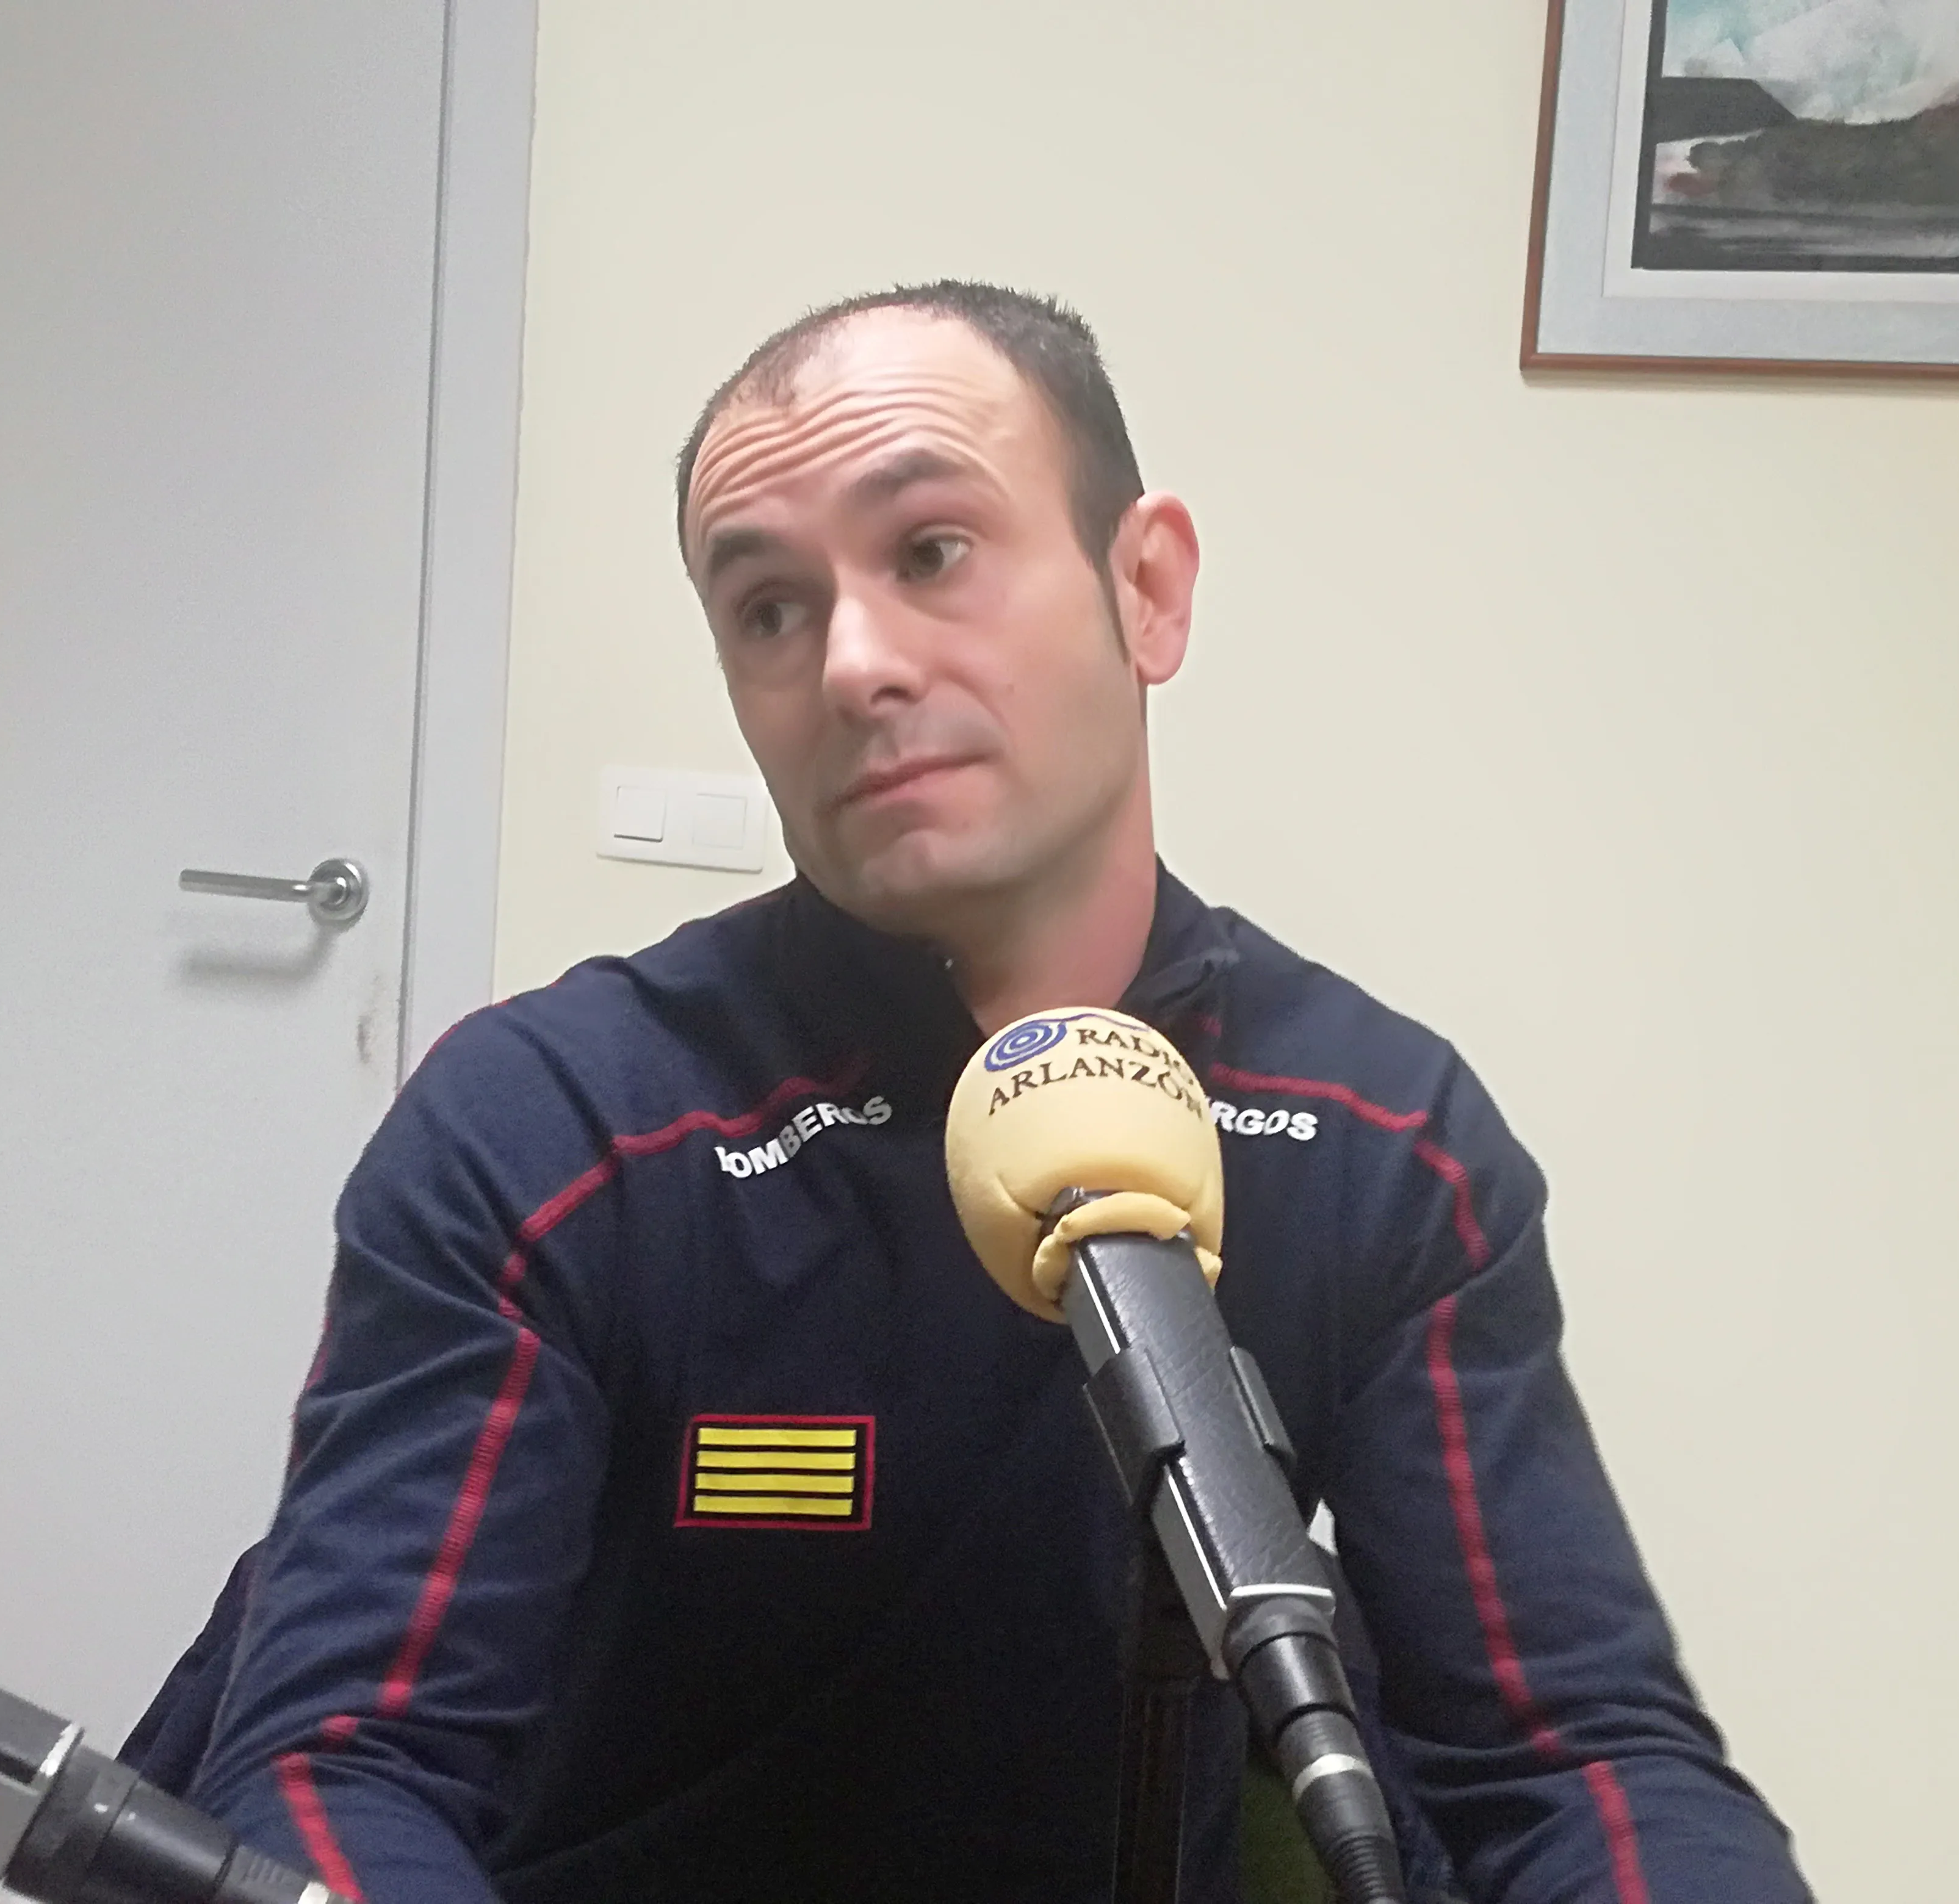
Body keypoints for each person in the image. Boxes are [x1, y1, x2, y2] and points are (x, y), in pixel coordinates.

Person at [143, 283, 1813, 1903]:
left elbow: (1573, 1757)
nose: (853, 665)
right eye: (769, 609)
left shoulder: (1381, 1144)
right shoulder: (554, 1129)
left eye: (931, 552)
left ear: (1148, 590)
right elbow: (341, 1760)